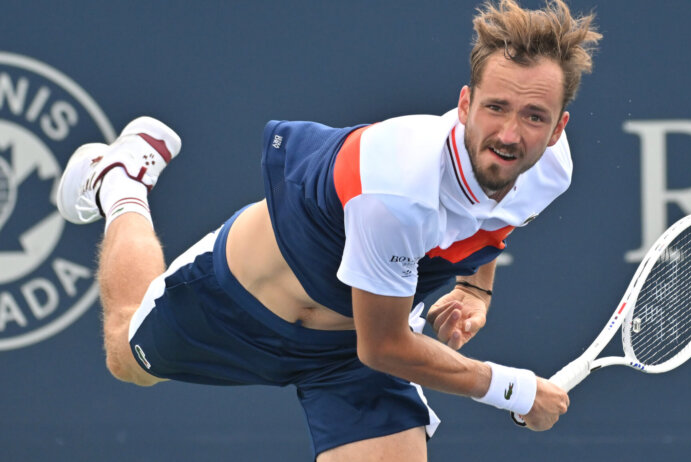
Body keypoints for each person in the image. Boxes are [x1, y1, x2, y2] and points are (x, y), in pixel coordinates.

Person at [56, 0, 601, 460]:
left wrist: (475, 287)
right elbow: (385, 346)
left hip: (353, 353)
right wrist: (517, 391)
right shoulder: (398, 189)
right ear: (464, 105)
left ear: (558, 129)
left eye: (534, 117)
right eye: (496, 108)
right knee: (125, 357)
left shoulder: (549, 170)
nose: (510, 133)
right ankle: (122, 182)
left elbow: (494, 214)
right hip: (246, 306)